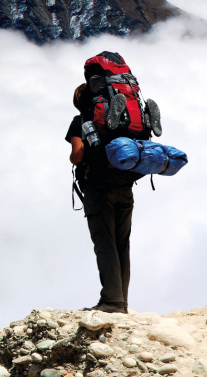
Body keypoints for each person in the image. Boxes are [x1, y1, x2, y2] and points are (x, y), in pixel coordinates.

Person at [65, 83, 142, 314]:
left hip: (98, 189)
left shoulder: (81, 120)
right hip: (125, 185)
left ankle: (111, 301)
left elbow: (77, 156)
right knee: (122, 244)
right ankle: (122, 302)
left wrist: (74, 155)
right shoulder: (121, 120)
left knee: (105, 242)